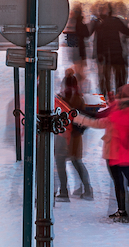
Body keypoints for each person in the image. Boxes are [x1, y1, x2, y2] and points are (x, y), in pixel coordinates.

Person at [73, 83, 129, 222]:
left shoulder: (119, 114)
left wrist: (78, 118)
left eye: (119, 95)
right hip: (127, 153)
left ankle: (124, 211)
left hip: (115, 154)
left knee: (120, 183)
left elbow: (98, 123)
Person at [53, 70, 93, 202]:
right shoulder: (80, 99)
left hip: (63, 135)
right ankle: (87, 190)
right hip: (76, 137)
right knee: (76, 161)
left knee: (60, 162)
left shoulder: (62, 98)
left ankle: (64, 192)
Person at [92, 3, 129, 98]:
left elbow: (98, 40)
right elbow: (127, 32)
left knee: (106, 78)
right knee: (118, 77)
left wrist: (99, 54)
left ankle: (107, 97)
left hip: (106, 55)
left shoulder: (100, 23)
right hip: (116, 53)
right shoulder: (115, 21)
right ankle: (119, 97)